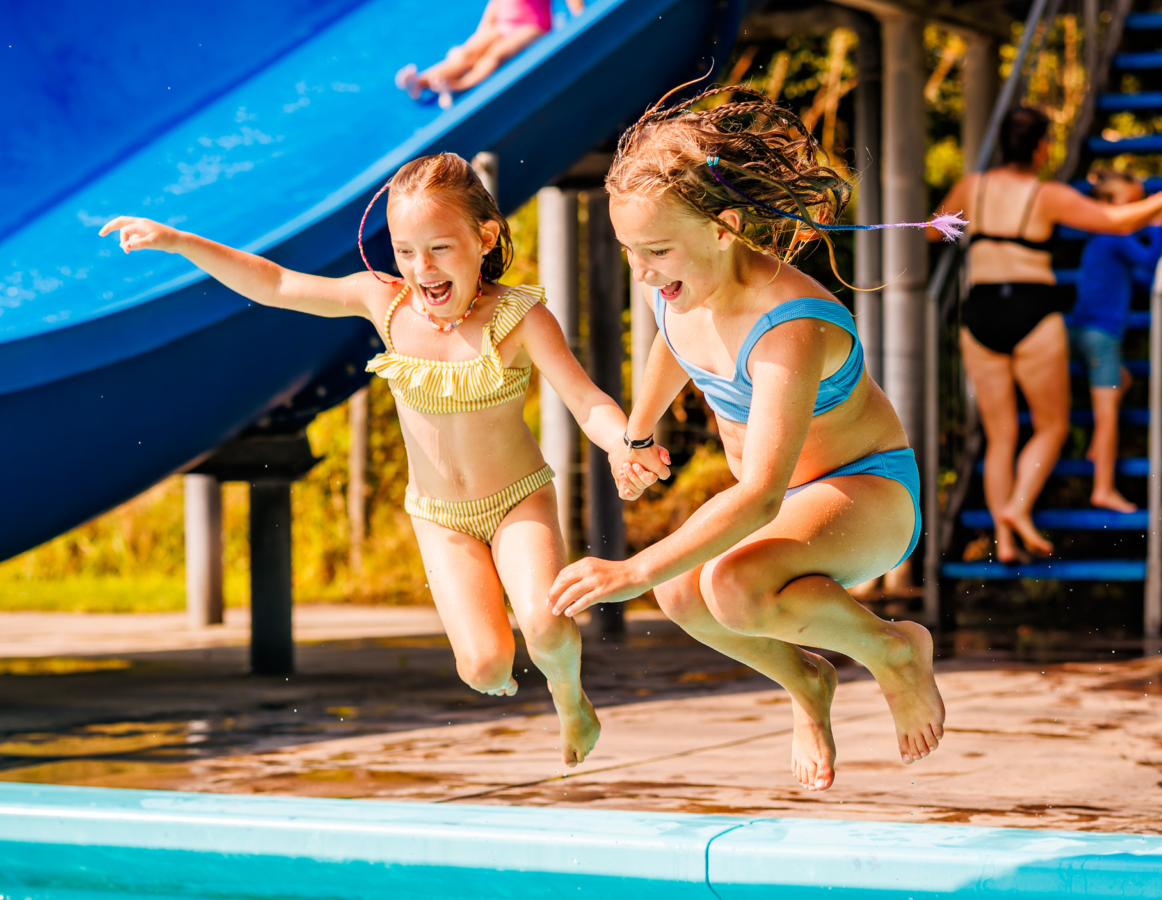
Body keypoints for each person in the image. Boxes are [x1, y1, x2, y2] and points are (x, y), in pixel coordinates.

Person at [100, 153, 666, 766]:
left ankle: (570, 698)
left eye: (440, 248)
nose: (423, 268)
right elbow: (275, 283)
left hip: (516, 500)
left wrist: (626, 444)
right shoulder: (385, 304)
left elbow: (586, 401)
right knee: (483, 667)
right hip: (440, 518)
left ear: (485, 238)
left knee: (547, 626)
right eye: (405, 252)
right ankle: (513, 671)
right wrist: (180, 242)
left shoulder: (519, 318)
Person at [547, 87, 948, 791]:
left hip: (866, 494)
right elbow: (673, 343)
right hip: (783, 503)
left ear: (724, 227)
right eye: (629, 251)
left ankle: (894, 651)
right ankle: (807, 682)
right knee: (681, 593)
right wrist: (637, 435)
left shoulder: (790, 326)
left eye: (656, 251)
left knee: (731, 585)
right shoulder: (682, 284)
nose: (642, 271)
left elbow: (761, 495)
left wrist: (631, 570)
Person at [929, 107, 1162, 561]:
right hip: (1032, 309)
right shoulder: (1047, 195)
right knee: (1051, 426)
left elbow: (932, 231)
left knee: (1001, 436)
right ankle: (1018, 508)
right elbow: (1120, 222)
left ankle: (1005, 542)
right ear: (1041, 148)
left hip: (980, 310)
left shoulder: (971, 187)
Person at [1071, 170, 1162, 513]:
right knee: (1107, 414)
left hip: (1082, 330)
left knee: (1122, 381)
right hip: (1101, 335)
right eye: (1132, 204)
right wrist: (1157, 224)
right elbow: (1150, 260)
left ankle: (1097, 448)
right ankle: (1103, 488)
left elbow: (1137, 277)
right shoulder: (1115, 233)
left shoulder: (1100, 237)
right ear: (1110, 206)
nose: (1137, 212)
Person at [397, 0, 583, 110]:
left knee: (496, 54)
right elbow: (495, 4)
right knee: (466, 55)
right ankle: (420, 82)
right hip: (503, 22)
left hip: (532, 26)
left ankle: (457, 86)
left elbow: (576, 6)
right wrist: (480, 33)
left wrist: (581, 18)